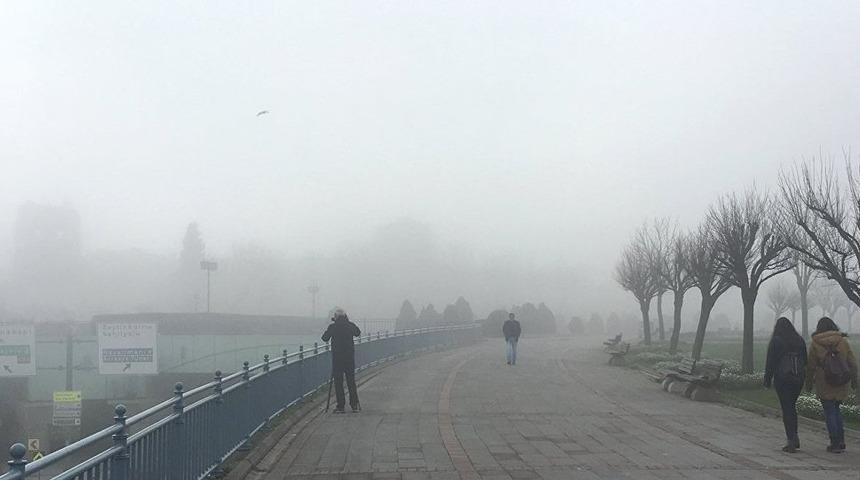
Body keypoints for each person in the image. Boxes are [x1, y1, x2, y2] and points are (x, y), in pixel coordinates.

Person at [805, 317, 858, 453]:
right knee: (836, 409)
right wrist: (854, 381)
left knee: (829, 411)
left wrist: (809, 384)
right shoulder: (843, 341)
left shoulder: (815, 343)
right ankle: (841, 441)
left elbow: (810, 366)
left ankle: (834, 442)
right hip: (841, 379)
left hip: (824, 380)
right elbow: (852, 363)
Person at [764, 317, 807, 453]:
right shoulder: (799, 340)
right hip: (798, 378)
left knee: (787, 408)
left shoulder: (777, 341)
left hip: (783, 378)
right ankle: (794, 436)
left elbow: (770, 362)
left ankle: (792, 439)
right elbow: (805, 360)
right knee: (791, 407)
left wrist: (767, 380)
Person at [321, 308, 362, 413]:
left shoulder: (333, 327)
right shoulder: (350, 325)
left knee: (338, 383)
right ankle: (354, 405)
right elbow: (358, 332)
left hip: (337, 359)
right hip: (349, 358)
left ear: (336, 317)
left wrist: (334, 324)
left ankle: (341, 406)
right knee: (351, 382)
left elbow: (324, 338)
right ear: (345, 316)